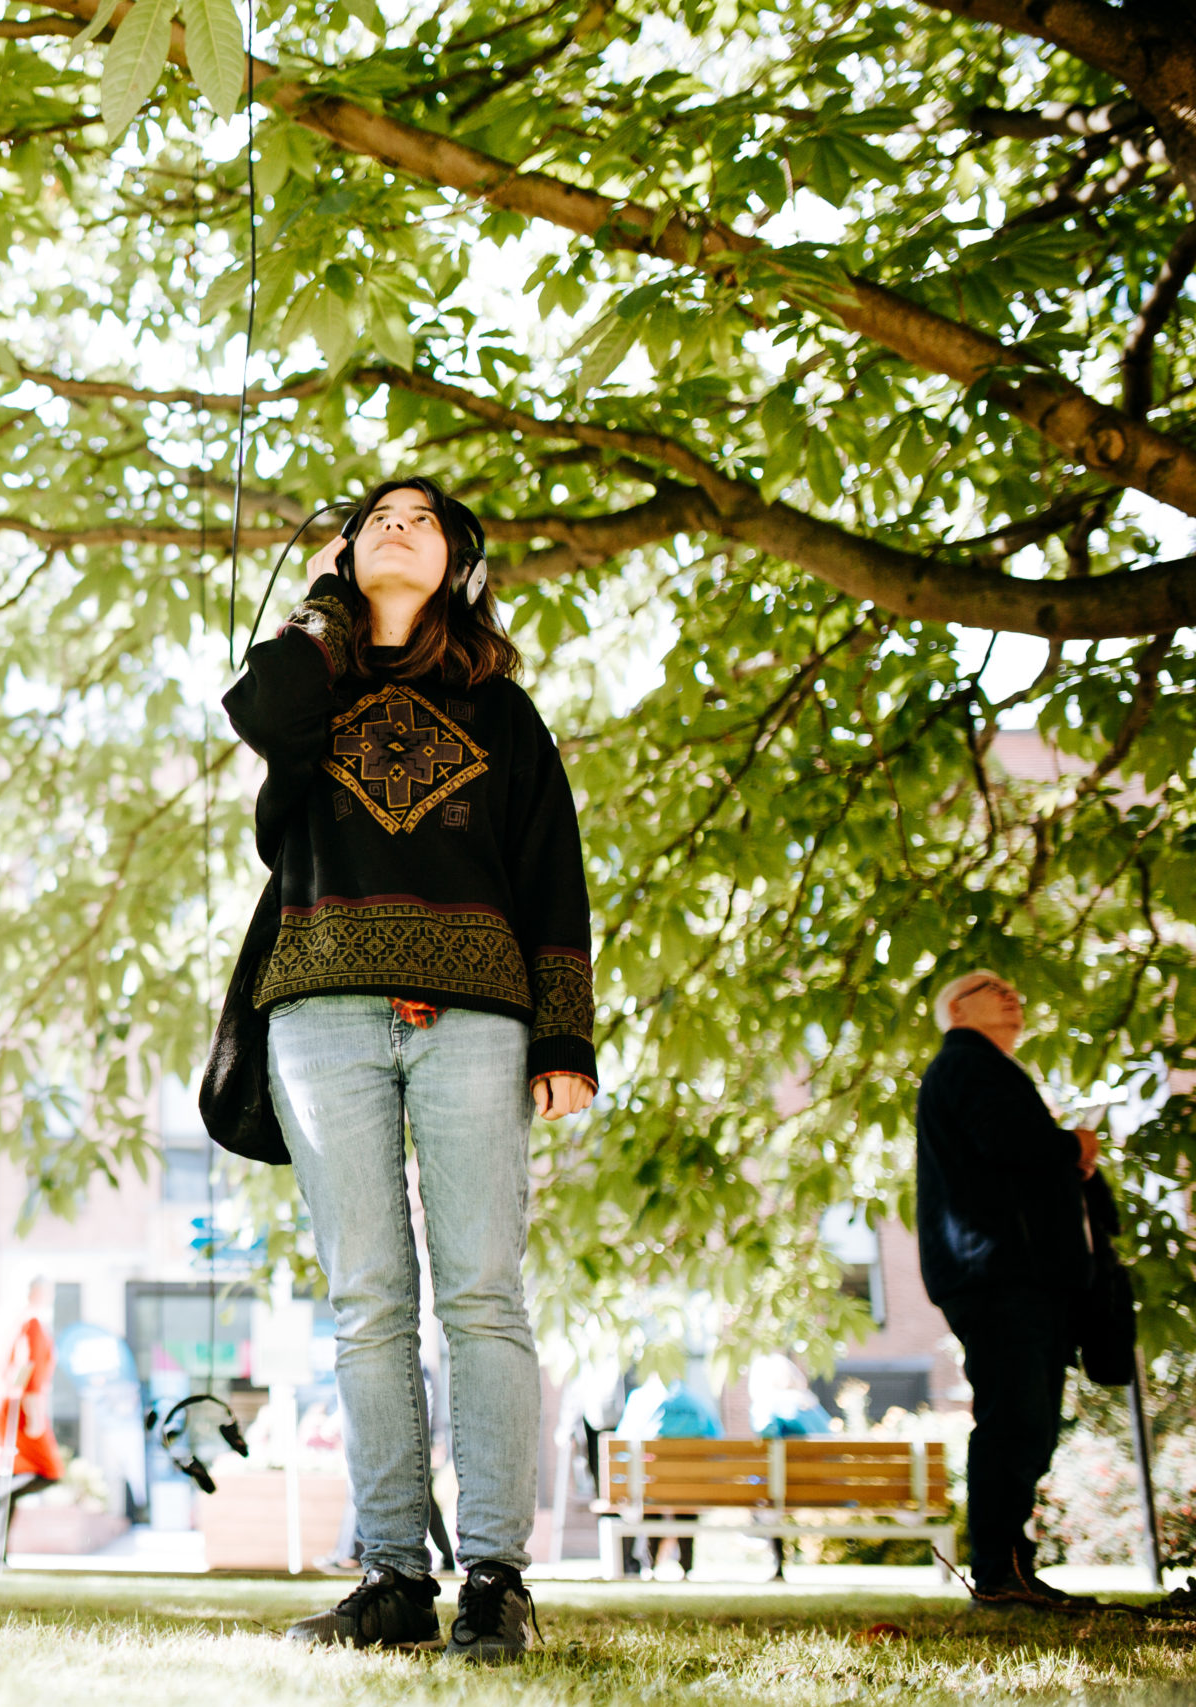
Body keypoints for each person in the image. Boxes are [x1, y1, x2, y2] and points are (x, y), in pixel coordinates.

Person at [209, 478, 599, 1661]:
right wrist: (326, 616)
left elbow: (553, 869)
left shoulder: (502, 711)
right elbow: (253, 705)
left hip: (479, 1015)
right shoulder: (306, 686)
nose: (398, 526)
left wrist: (564, 1037)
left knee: (481, 1293)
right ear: (344, 552)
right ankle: (389, 1576)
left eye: (424, 519)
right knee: (368, 1303)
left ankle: (493, 1578)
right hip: (318, 1009)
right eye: (378, 515)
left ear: (457, 562)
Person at [916, 970, 1100, 1607]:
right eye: (993, 987)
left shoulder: (976, 1068)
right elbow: (1010, 1144)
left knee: (1027, 1417)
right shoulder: (969, 1065)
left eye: (1016, 989)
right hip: (998, 1273)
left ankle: (1009, 1568)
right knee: (1014, 1418)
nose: (1013, 994)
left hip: (1006, 1271)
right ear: (957, 1011)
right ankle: (999, 1573)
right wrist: (1072, 1147)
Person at [0, 1275, 63, 1545]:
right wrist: (33, 1411)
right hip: (14, 1404)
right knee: (49, 1470)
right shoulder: (29, 1321)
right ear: (37, 1291)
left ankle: (0, 1550)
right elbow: (29, 1366)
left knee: (9, 1475)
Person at [616, 1370, 722, 1579]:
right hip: (690, 1488)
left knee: (650, 1495)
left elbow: (623, 1443)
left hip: (652, 1487)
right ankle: (686, 1565)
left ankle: (650, 1564)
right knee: (686, 1497)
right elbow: (717, 1438)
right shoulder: (696, 1401)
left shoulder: (641, 1399)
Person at [747, 1354, 836, 1580]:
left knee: (759, 1485)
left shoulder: (767, 1403)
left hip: (785, 1488)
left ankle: (760, 1534)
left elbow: (765, 1432)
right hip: (824, 1486)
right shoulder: (812, 1404)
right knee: (769, 1483)